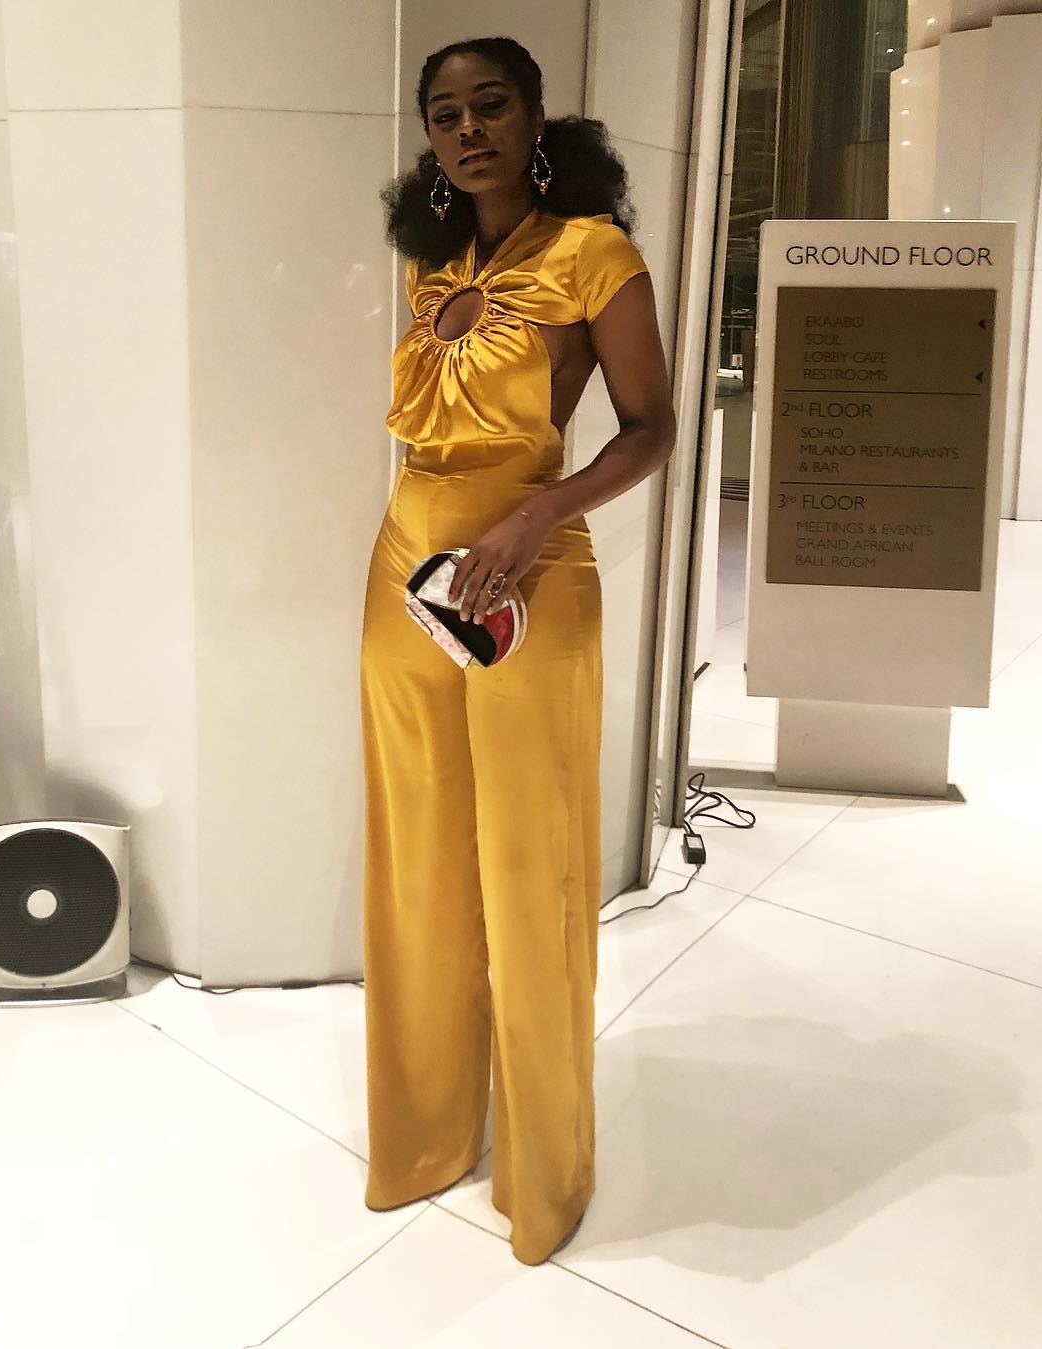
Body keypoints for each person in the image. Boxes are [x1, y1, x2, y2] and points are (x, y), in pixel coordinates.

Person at [359, 35, 676, 1266]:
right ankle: (428, 1133)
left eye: (491, 106)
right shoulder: (433, 264)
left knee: (528, 855)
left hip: (528, 574)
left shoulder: (593, 254)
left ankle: (546, 1168)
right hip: (406, 569)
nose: (468, 131)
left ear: (539, 118)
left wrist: (540, 513)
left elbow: (649, 428)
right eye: (445, 116)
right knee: (418, 850)